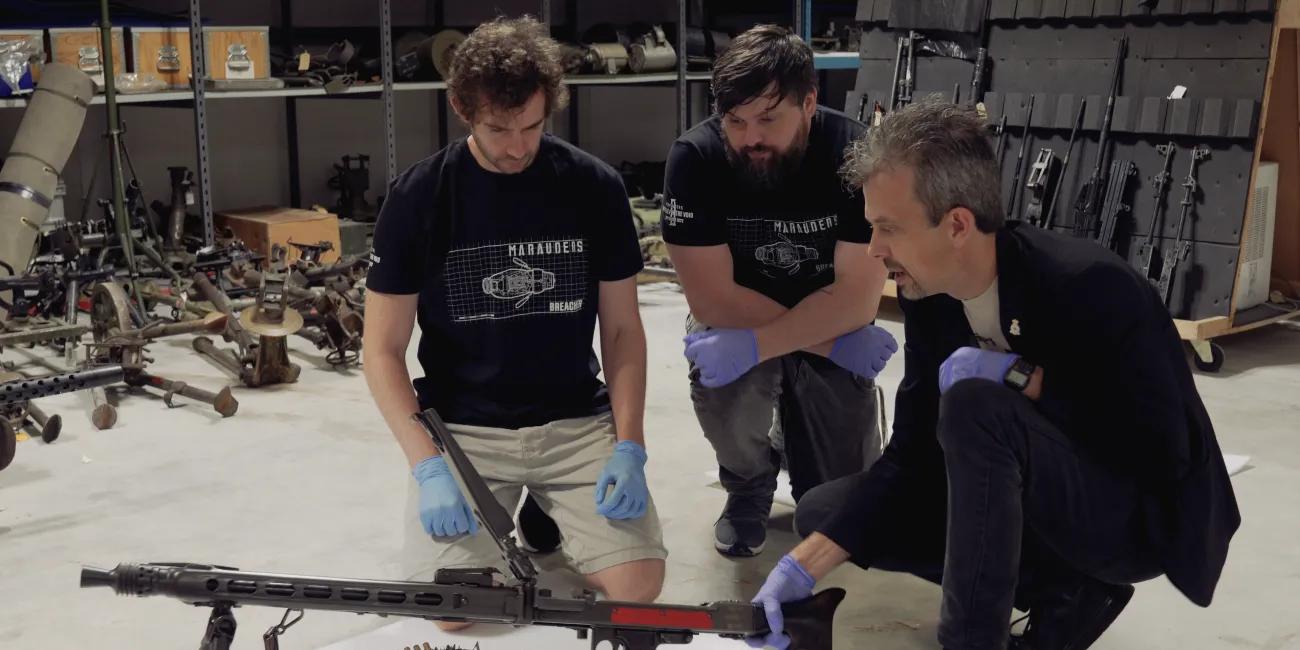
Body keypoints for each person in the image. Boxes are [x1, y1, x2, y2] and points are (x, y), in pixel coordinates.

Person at [746, 97, 1241, 650]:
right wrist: (802, 565)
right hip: (1038, 499)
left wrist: (1024, 380)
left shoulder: (1089, 287)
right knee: (825, 513)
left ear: (957, 223)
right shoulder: (932, 298)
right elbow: (911, 455)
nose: (874, 249)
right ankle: (1064, 590)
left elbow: (1161, 450)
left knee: (975, 407)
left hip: (1134, 517)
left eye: (888, 228)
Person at [362, 16, 666, 631]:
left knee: (637, 588)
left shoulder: (594, 187)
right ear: (461, 109)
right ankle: (523, 508)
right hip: (466, 433)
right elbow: (382, 350)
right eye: (498, 129)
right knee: (454, 612)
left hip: (573, 420)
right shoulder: (418, 197)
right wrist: (427, 466)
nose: (518, 146)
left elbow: (624, 332)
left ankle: (546, 513)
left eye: (532, 125)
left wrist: (629, 443)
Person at [662, 24, 896, 559]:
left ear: (809, 102)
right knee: (722, 366)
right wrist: (827, 343)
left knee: (835, 500)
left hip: (832, 317)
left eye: (769, 118)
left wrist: (826, 337)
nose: (750, 138)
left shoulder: (856, 155)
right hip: (757, 324)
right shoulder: (695, 159)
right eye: (736, 121)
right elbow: (713, 301)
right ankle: (747, 486)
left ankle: (813, 450)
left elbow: (857, 299)